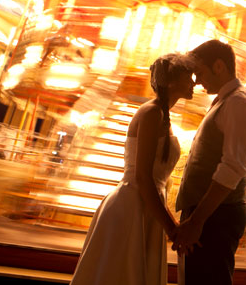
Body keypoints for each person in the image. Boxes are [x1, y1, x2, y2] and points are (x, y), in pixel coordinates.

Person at [71, 53, 195, 285]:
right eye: (188, 76)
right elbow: (143, 177)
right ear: (171, 81)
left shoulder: (161, 114)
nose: (193, 82)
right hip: (132, 205)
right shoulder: (151, 114)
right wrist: (171, 228)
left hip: (146, 205)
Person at [172, 40, 246, 285]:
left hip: (216, 215)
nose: (197, 82)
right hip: (209, 213)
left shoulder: (238, 103)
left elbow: (232, 168)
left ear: (219, 66)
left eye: (199, 73)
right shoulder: (226, 100)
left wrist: (197, 221)